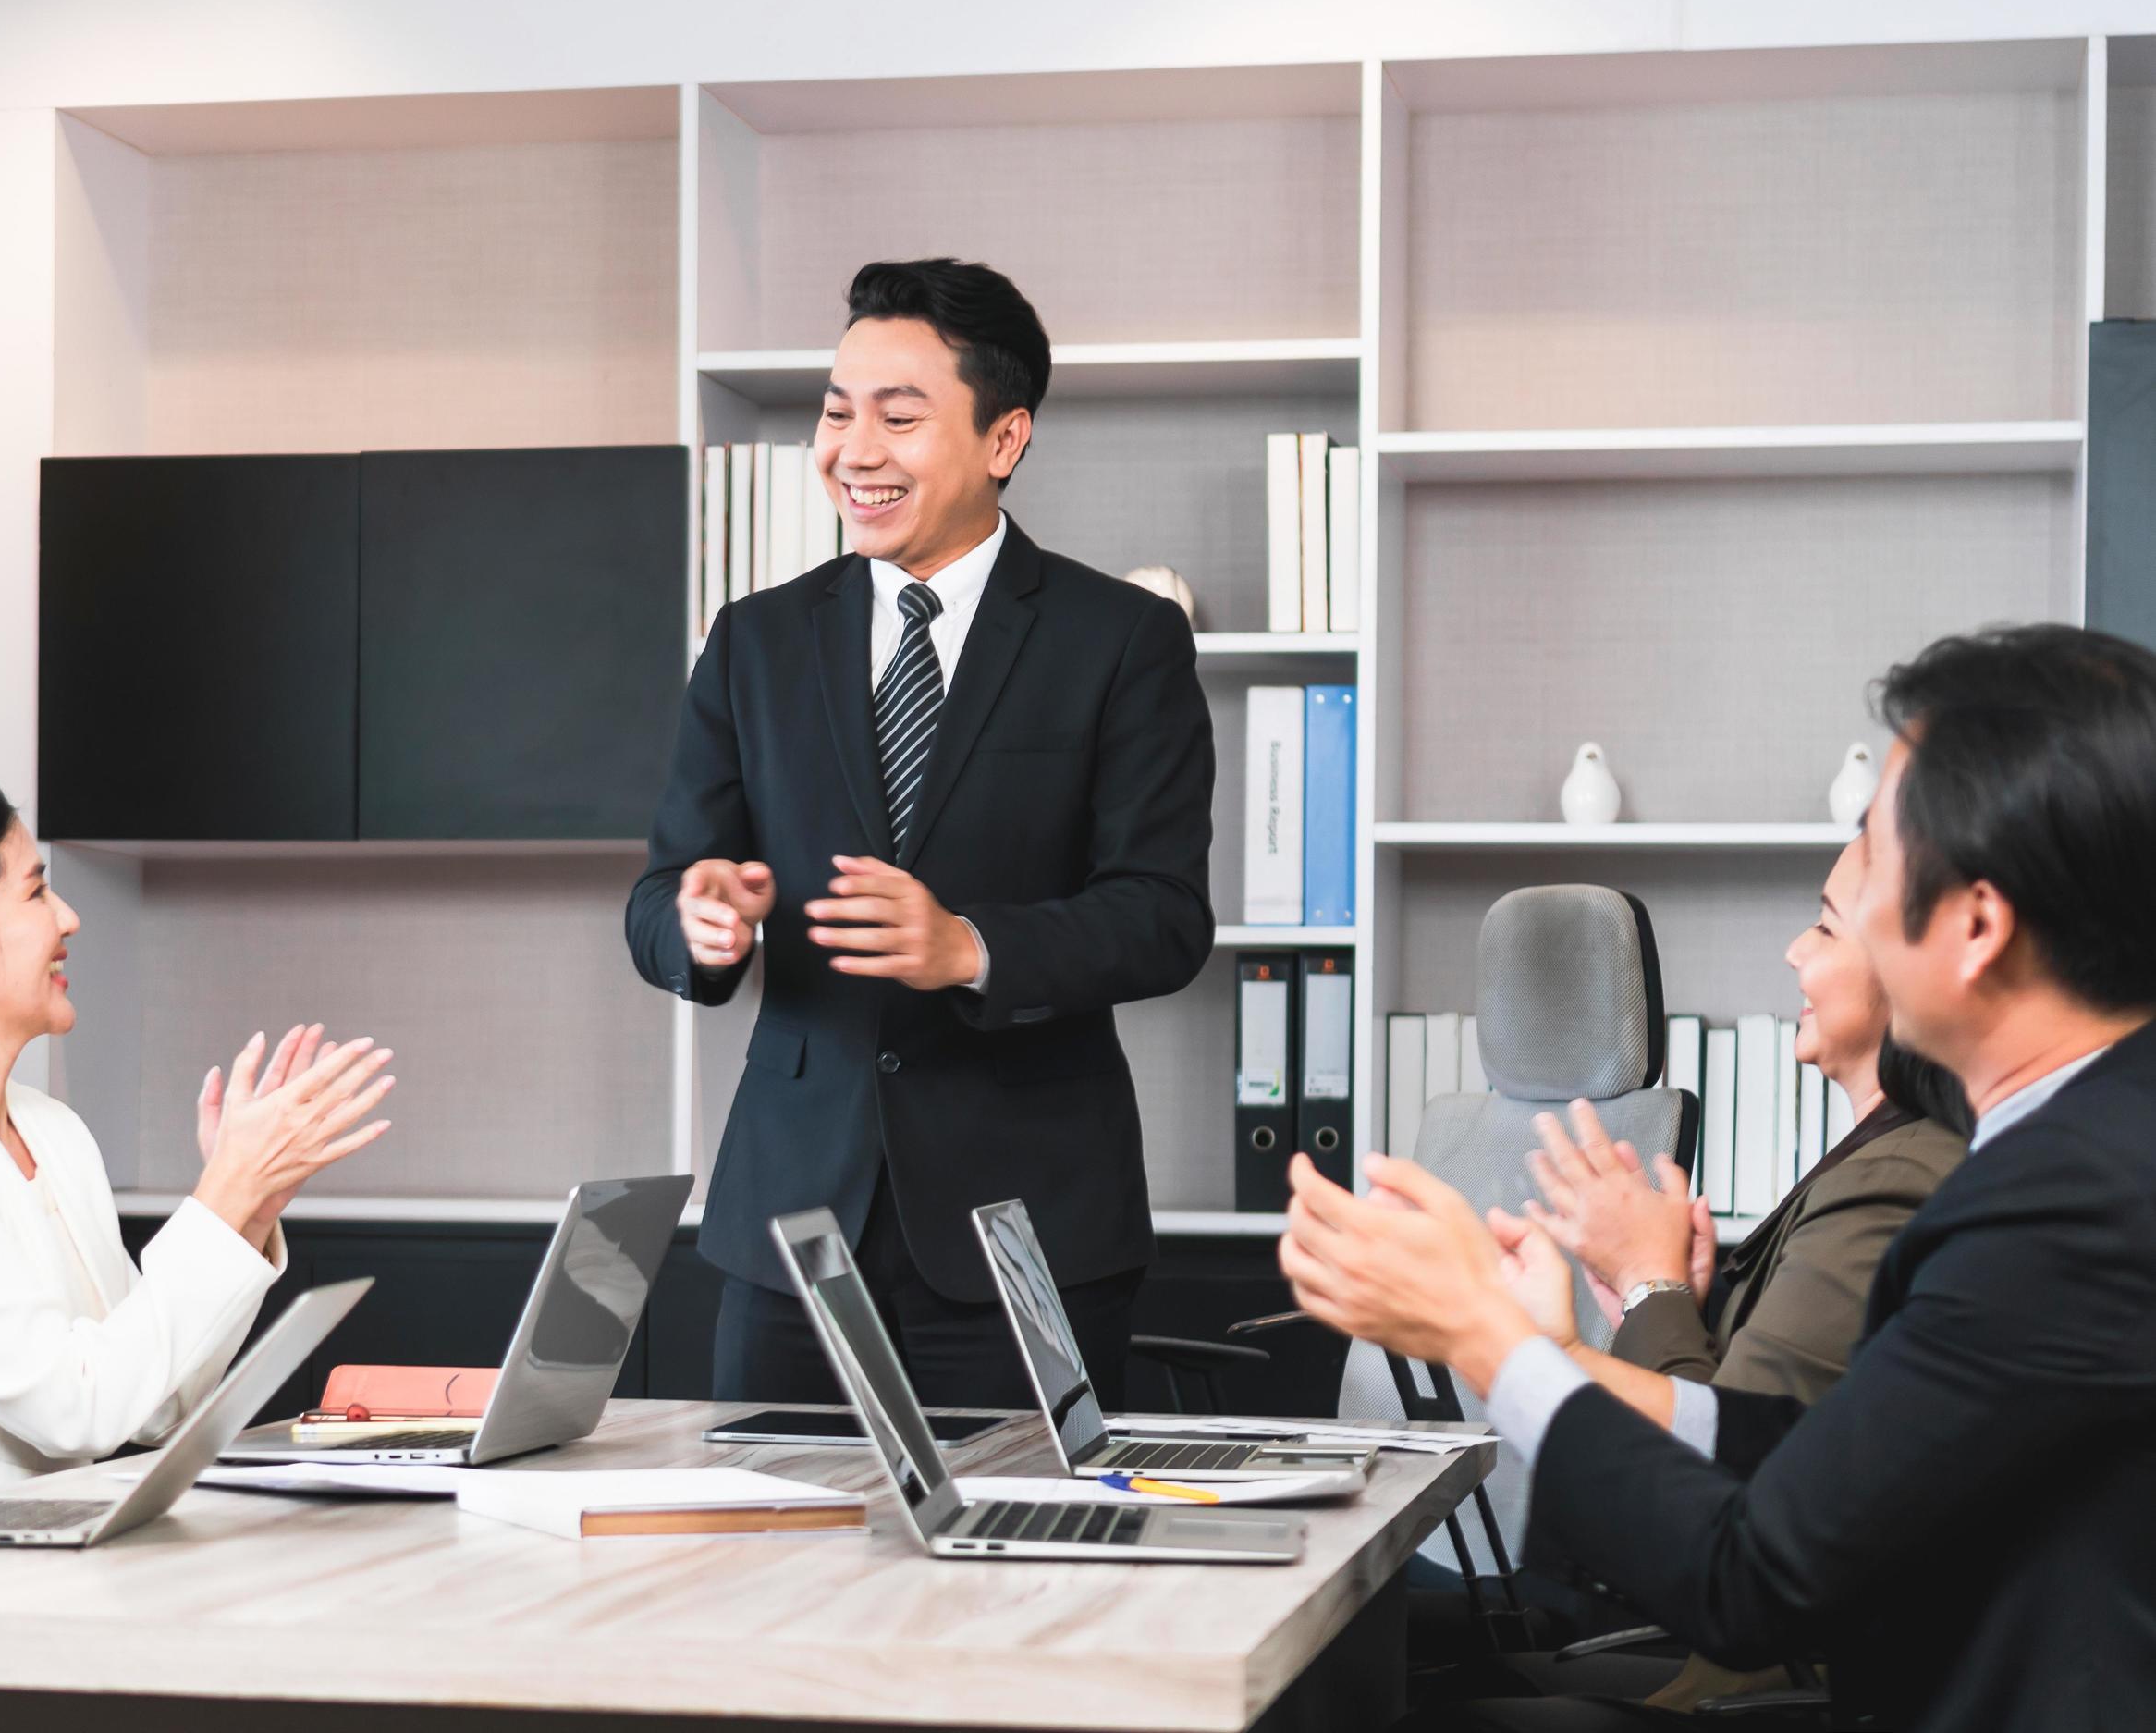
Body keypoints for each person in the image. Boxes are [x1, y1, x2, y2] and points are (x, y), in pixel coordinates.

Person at [1278, 624, 2156, 1732]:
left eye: (1875, 863)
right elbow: (1816, 1462)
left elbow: (1748, 1582)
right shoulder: (2089, 1148)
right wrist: (1540, 1351)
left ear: (1976, 923)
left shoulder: (2061, 1205)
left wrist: (1477, 1337)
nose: (1828, 930)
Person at [623, 257, 1215, 1407]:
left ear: (1003, 439)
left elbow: (1162, 916)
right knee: (775, 1568)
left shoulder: (1120, 639)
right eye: (836, 413)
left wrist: (970, 949)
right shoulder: (754, 642)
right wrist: (699, 923)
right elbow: (656, 899)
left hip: (1029, 1230)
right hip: (791, 1230)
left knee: (1021, 1571)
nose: (854, 449)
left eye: (899, 416)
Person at [0, 772, 398, 1505]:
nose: (69, 918)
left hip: (43, 1548)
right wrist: (221, 1194)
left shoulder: (53, 1132)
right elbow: (79, 1409)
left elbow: (152, 1401)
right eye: (37, 892)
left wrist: (249, 1207)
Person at [1479, 836, 1969, 1711]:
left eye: (1823, 926)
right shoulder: (1872, 1161)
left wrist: (1647, 1288)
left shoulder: (1894, 1179)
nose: (1794, 950)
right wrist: (1660, 1300)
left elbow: (1726, 1480)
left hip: (1767, 1676)